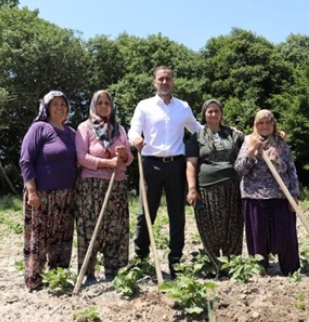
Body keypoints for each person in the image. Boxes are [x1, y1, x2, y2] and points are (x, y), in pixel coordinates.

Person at [128, 66, 202, 279]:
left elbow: (197, 129)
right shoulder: (144, 106)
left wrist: (222, 130)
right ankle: (141, 258)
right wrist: (135, 139)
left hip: (176, 165)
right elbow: (133, 129)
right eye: (160, 79)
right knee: (145, 214)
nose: (164, 82)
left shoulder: (183, 107)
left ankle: (175, 261)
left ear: (173, 81)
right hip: (150, 164)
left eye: (168, 78)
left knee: (177, 215)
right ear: (154, 82)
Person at [19, 90, 78, 291]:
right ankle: (34, 279)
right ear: (46, 108)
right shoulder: (39, 128)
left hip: (67, 194)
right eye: (55, 104)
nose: (60, 108)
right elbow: (26, 160)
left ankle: (58, 277)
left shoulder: (71, 133)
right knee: (39, 237)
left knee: (62, 237)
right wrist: (31, 191)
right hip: (42, 194)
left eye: (63, 104)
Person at [75, 90, 134, 283]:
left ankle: (115, 271)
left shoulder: (120, 129)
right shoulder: (84, 128)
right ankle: (88, 272)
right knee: (90, 228)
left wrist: (124, 156)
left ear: (111, 106)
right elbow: (82, 157)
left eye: (106, 103)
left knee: (116, 228)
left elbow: (129, 158)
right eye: (99, 103)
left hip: (116, 185)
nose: (103, 106)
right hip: (92, 185)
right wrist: (107, 163)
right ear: (93, 105)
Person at [234, 109, 300, 276]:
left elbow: (291, 170)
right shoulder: (249, 141)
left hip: (280, 196)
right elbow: (240, 169)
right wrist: (252, 151)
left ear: (273, 124)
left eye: (268, 122)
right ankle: (259, 269)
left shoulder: (281, 143)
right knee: (258, 238)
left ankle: (290, 269)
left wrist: (294, 194)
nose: (264, 126)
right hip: (255, 197)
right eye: (260, 123)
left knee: (285, 236)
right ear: (255, 125)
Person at [185, 99, 245, 274]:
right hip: (207, 188)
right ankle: (215, 266)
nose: (213, 114)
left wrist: (275, 133)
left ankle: (233, 266)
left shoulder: (232, 134)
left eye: (216, 111)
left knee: (232, 227)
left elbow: (253, 140)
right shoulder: (197, 137)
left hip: (232, 186)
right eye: (209, 111)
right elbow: (191, 165)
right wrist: (192, 189)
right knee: (210, 228)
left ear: (221, 114)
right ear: (204, 114)